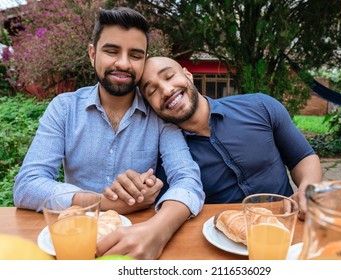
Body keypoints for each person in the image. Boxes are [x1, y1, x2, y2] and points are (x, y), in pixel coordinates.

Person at [13, 8, 204, 259]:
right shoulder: (64, 108)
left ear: (144, 60)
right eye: (112, 51)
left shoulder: (158, 113)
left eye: (135, 55)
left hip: (136, 245)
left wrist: (159, 229)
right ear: (93, 54)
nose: (123, 63)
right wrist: (102, 203)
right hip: (72, 242)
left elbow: (187, 179)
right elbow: (27, 184)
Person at [105, 56, 323, 219]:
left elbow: (303, 157)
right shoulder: (169, 159)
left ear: (187, 74)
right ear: (150, 106)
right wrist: (134, 189)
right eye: (152, 91)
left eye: (169, 76)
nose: (167, 90)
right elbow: (155, 199)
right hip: (220, 243)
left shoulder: (261, 107)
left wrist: (308, 188)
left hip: (288, 224)